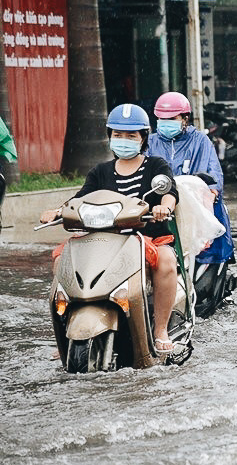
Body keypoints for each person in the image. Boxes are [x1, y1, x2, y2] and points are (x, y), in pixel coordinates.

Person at [39, 104, 180, 352]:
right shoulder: (100, 171)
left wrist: (164, 208)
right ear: (110, 136)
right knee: (62, 260)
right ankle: (65, 333)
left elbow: (169, 193)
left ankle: (160, 329)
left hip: (146, 237)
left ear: (143, 137)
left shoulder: (156, 166)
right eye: (117, 135)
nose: (123, 140)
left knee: (167, 261)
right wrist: (58, 211)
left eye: (130, 136)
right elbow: (79, 200)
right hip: (104, 240)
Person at [148, 91, 236, 276]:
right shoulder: (150, 142)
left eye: (172, 118)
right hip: (160, 206)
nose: (166, 122)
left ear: (185, 118)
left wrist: (210, 195)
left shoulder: (200, 140)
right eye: (161, 119)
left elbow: (213, 173)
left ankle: (211, 270)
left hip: (195, 202)